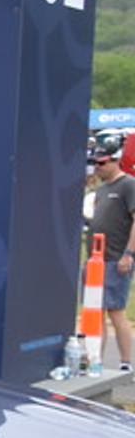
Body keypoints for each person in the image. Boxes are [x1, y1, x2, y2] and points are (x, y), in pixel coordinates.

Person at [93, 149, 135, 372]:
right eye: (94, 163)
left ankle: (126, 363)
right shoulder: (100, 190)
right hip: (95, 260)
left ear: (115, 161)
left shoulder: (128, 185)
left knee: (116, 311)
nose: (97, 168)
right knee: (95, 311)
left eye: (101, 163)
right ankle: (95, 360)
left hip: (116, 258)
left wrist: (128, 254)